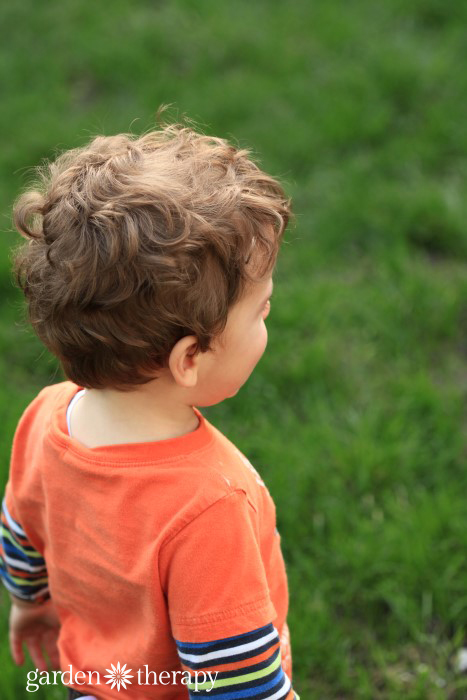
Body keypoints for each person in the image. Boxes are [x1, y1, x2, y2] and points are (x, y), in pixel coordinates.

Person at [0, 114, 298, 699]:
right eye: (261, 310)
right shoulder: (209, 504)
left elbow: (22, 529)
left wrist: (27, 605)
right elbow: (234, 681)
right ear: (190, 358)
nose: (270, 318)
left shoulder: (45, 418)